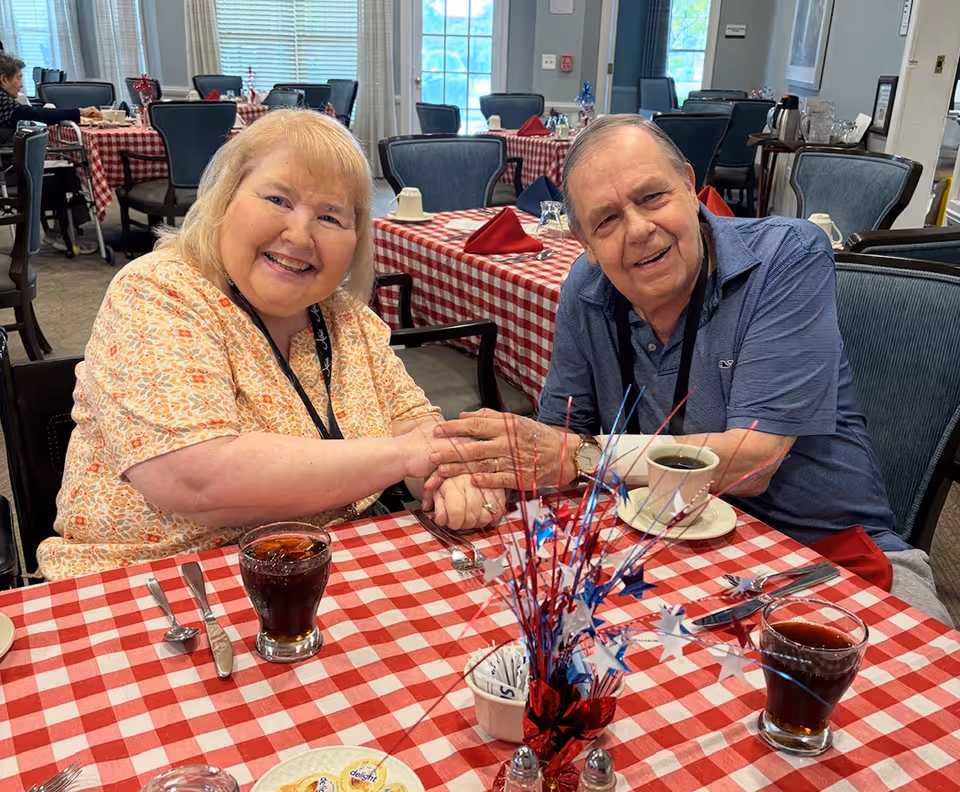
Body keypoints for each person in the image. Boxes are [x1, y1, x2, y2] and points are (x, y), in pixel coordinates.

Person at [427, 114, 952, 626]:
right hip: (660, 549)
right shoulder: (585, 292)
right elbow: (558, 441)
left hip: (822, 556)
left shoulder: (787, 257)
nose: (638, 230)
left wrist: (577, 455)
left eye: (652, 197)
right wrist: (490, 474)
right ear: (584, 244)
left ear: (688, 184)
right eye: (606, 221)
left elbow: (754, 460)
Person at [37, 110, 502, 580]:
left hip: (319, 570)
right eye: (278, 199)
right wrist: (407, 456)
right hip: (148, 585)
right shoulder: (160, 291)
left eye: (330, 216)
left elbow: (415, 424)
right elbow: (194, 477)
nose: (300, 235)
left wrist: (451, 477)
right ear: (225, 198)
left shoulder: (346, 318)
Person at [0, 53, 102, 146]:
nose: (21, 85)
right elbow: (34, 115)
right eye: (18, 78)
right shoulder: (3, 101)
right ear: (4, 79)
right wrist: (80, 112)